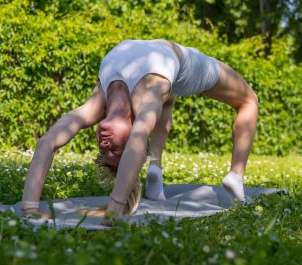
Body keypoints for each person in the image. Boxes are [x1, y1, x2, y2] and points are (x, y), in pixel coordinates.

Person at [21, 39, 258, 226]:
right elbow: (139, 136)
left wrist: (30, 207)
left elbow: (48, 141)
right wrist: (115, 207)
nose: (104, 145)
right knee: (249, 101)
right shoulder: (148, 98)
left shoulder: (95, 105)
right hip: (183, 66)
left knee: (168, 101)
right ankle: (236, 176)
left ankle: (155, 168)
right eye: (115, 149)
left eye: (104, 150)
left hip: (159, 59)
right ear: (134, 135)